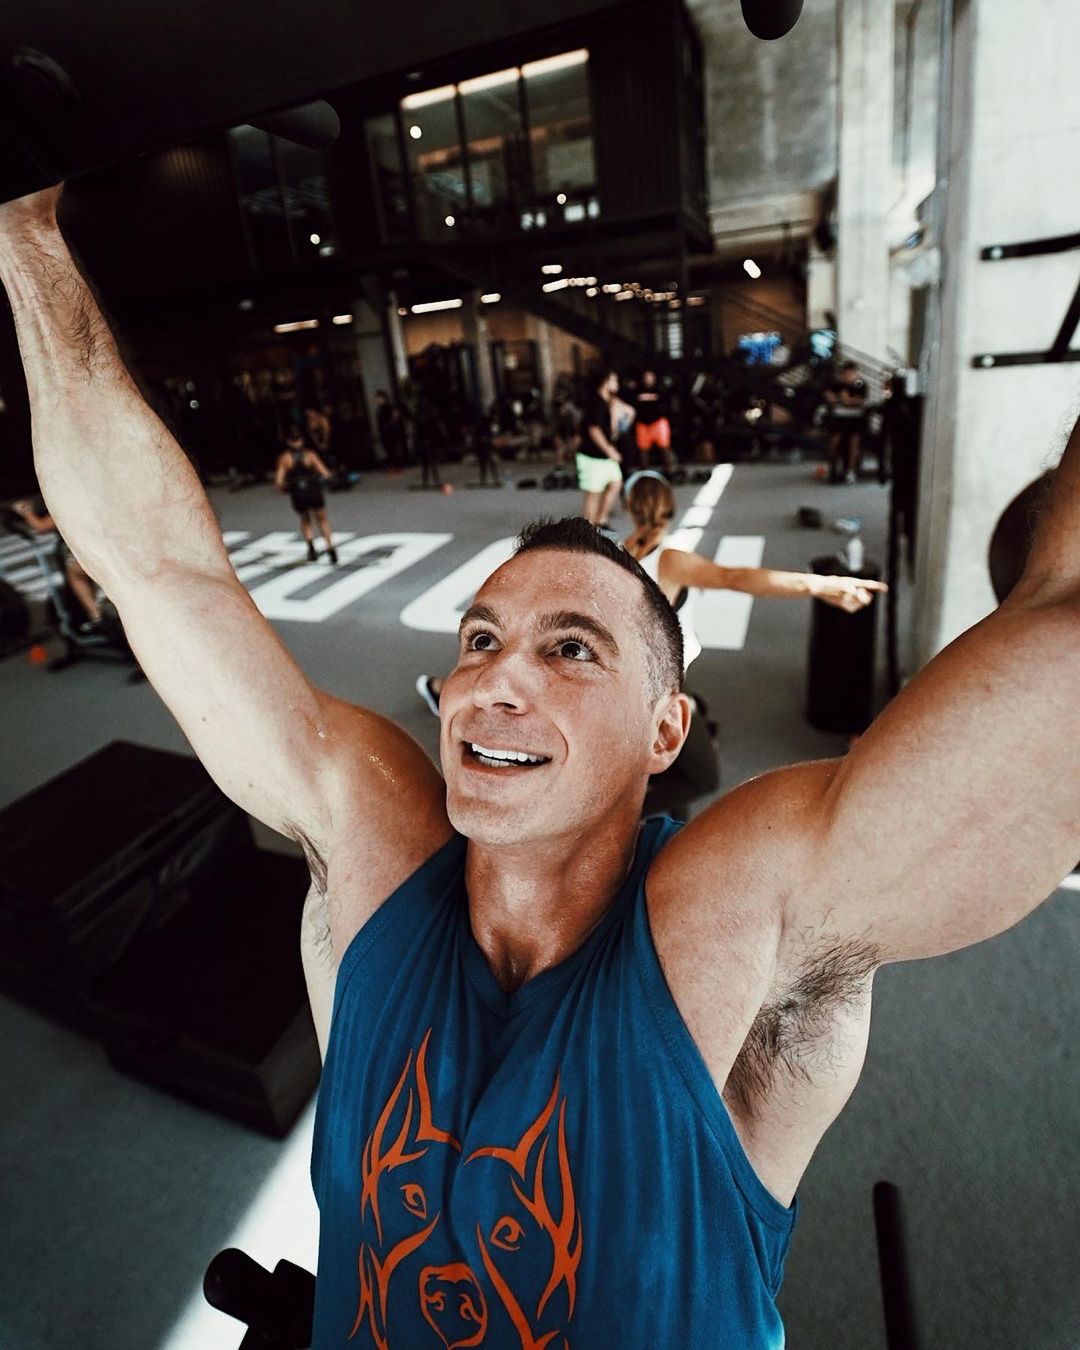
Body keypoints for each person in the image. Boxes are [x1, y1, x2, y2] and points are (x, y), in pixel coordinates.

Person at [6, 185, 1080, 1349]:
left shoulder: (736, 918)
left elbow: (1062, 663)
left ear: (666, 732)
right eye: (479, 641)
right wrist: (23, 231)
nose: (491, 683)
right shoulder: (372, 852)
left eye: (570, 649)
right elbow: (160, 568)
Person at [416, 471, 883, 811]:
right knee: (701, 776)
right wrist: (822, 586)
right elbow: (738, 577)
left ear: (631, 507)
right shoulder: (671, 561)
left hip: (630, 685)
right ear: (668, 508)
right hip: (655, 693)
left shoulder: (616, 559)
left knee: (664, 764)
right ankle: (619, 814)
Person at [8, 495, 104, 631]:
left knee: (76, 575)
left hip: (89, 547)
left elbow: (40, 527)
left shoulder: (67, 506)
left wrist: (26, 510)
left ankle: (96, 615)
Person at [273, 428, 337, 564]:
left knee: (305, 519)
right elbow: (325, 473)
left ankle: (311, 548)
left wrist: (287, 488)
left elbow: (279, 482)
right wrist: (327, 480)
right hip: (313, 490)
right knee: (322, 519)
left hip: (298, 493)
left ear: (289, 442)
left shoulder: (285, 458)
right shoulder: (310, 455)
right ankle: (331, 548)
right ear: (301, 440)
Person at [578, 368, 624, 528]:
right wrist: (610, 450)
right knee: (593, 494)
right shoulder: (596, 403)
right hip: (592, 456)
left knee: (616, 483)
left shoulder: (606, 402)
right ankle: (588, 529)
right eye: (614, 380)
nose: (617, 383)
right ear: (605, 382)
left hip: (603, 457)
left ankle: (601, 520)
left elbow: (611, 430)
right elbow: (594, 430)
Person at [823, 359, 867, 484]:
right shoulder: (837, 384)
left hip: (856, 418)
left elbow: (859, 400)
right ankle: (833, 468)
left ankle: (850, 471)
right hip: (839, 417)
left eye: (851, 373)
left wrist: (846, 400)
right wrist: (842, 399)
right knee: (834, 441)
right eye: (846, 373)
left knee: (854, 442)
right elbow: (829, 397)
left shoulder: (860, 384)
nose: (848, 376)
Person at [633, 370, 675, 473]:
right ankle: (645, 474)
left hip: (658, 422)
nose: (648, 379)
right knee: (643, 450)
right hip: (643, 424)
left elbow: (668, 405)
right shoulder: (637, 390)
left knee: (665, 448)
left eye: (650, 376)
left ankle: (669, 472)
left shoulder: (661, 390)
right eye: (646, 376)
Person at [373, 389, 406, 472]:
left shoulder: (388, 408)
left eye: (379, 398)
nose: (377, 400)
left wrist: (392, 423)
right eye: (376, 398)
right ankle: (393, 467)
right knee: (389, 451)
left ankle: (396, 467)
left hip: (390, 432)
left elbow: (394, 419)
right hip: (384, 433)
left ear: (383, 398)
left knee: (392, 450)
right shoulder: (379, 409)